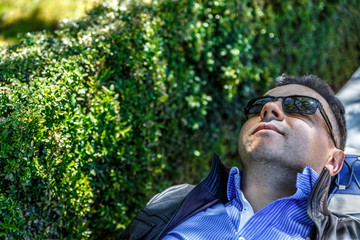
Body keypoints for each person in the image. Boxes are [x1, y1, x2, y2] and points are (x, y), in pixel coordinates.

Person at [121, 74, 360, 240]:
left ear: (334, 161)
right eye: (259, 107)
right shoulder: (173, 202)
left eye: (300, 106)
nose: (269, 109)